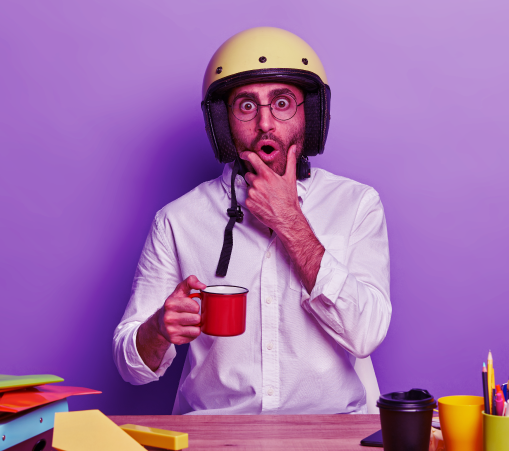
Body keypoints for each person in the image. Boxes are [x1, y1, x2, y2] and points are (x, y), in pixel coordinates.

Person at [113, 27, 391, 415]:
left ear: (309, 114)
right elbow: (131, 367)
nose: (265, 124)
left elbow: (366, 334)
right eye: (246, 106)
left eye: (281, 103)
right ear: (223, 123)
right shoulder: (177, 220)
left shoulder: (357, 204)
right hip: (215, 436)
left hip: (332, 432)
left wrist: (291, 221)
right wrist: (159, 329)